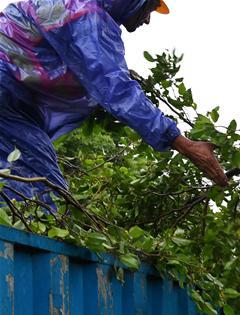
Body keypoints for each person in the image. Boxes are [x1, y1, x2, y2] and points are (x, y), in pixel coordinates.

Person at [0, 0, 228, 208]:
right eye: (149, 9)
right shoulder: (88, 16)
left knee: (16, 183)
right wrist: (182, 142)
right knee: (42, 197)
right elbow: (115, 87)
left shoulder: (76, 7)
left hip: (10, 101)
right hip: (4, 95)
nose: (147, 19)